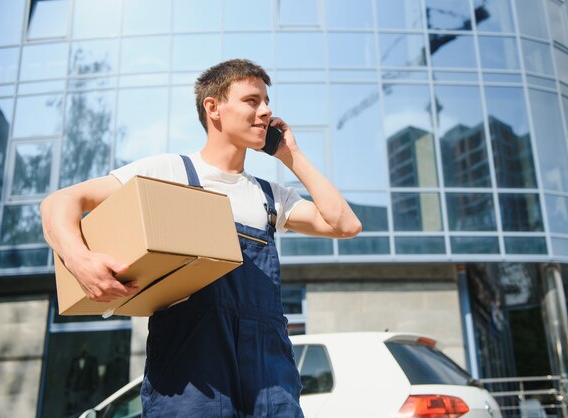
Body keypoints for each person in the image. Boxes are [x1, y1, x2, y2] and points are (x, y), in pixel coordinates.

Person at [41, 59, 362, 417]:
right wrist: (79, 258)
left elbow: (345, 225)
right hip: (193, 373)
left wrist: (292, 155)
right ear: (213, 108)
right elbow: (60, 202)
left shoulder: (271, 196)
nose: (267, 111)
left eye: (267, 101)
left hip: (269, 372)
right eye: (252, 101)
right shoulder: (169, 172)